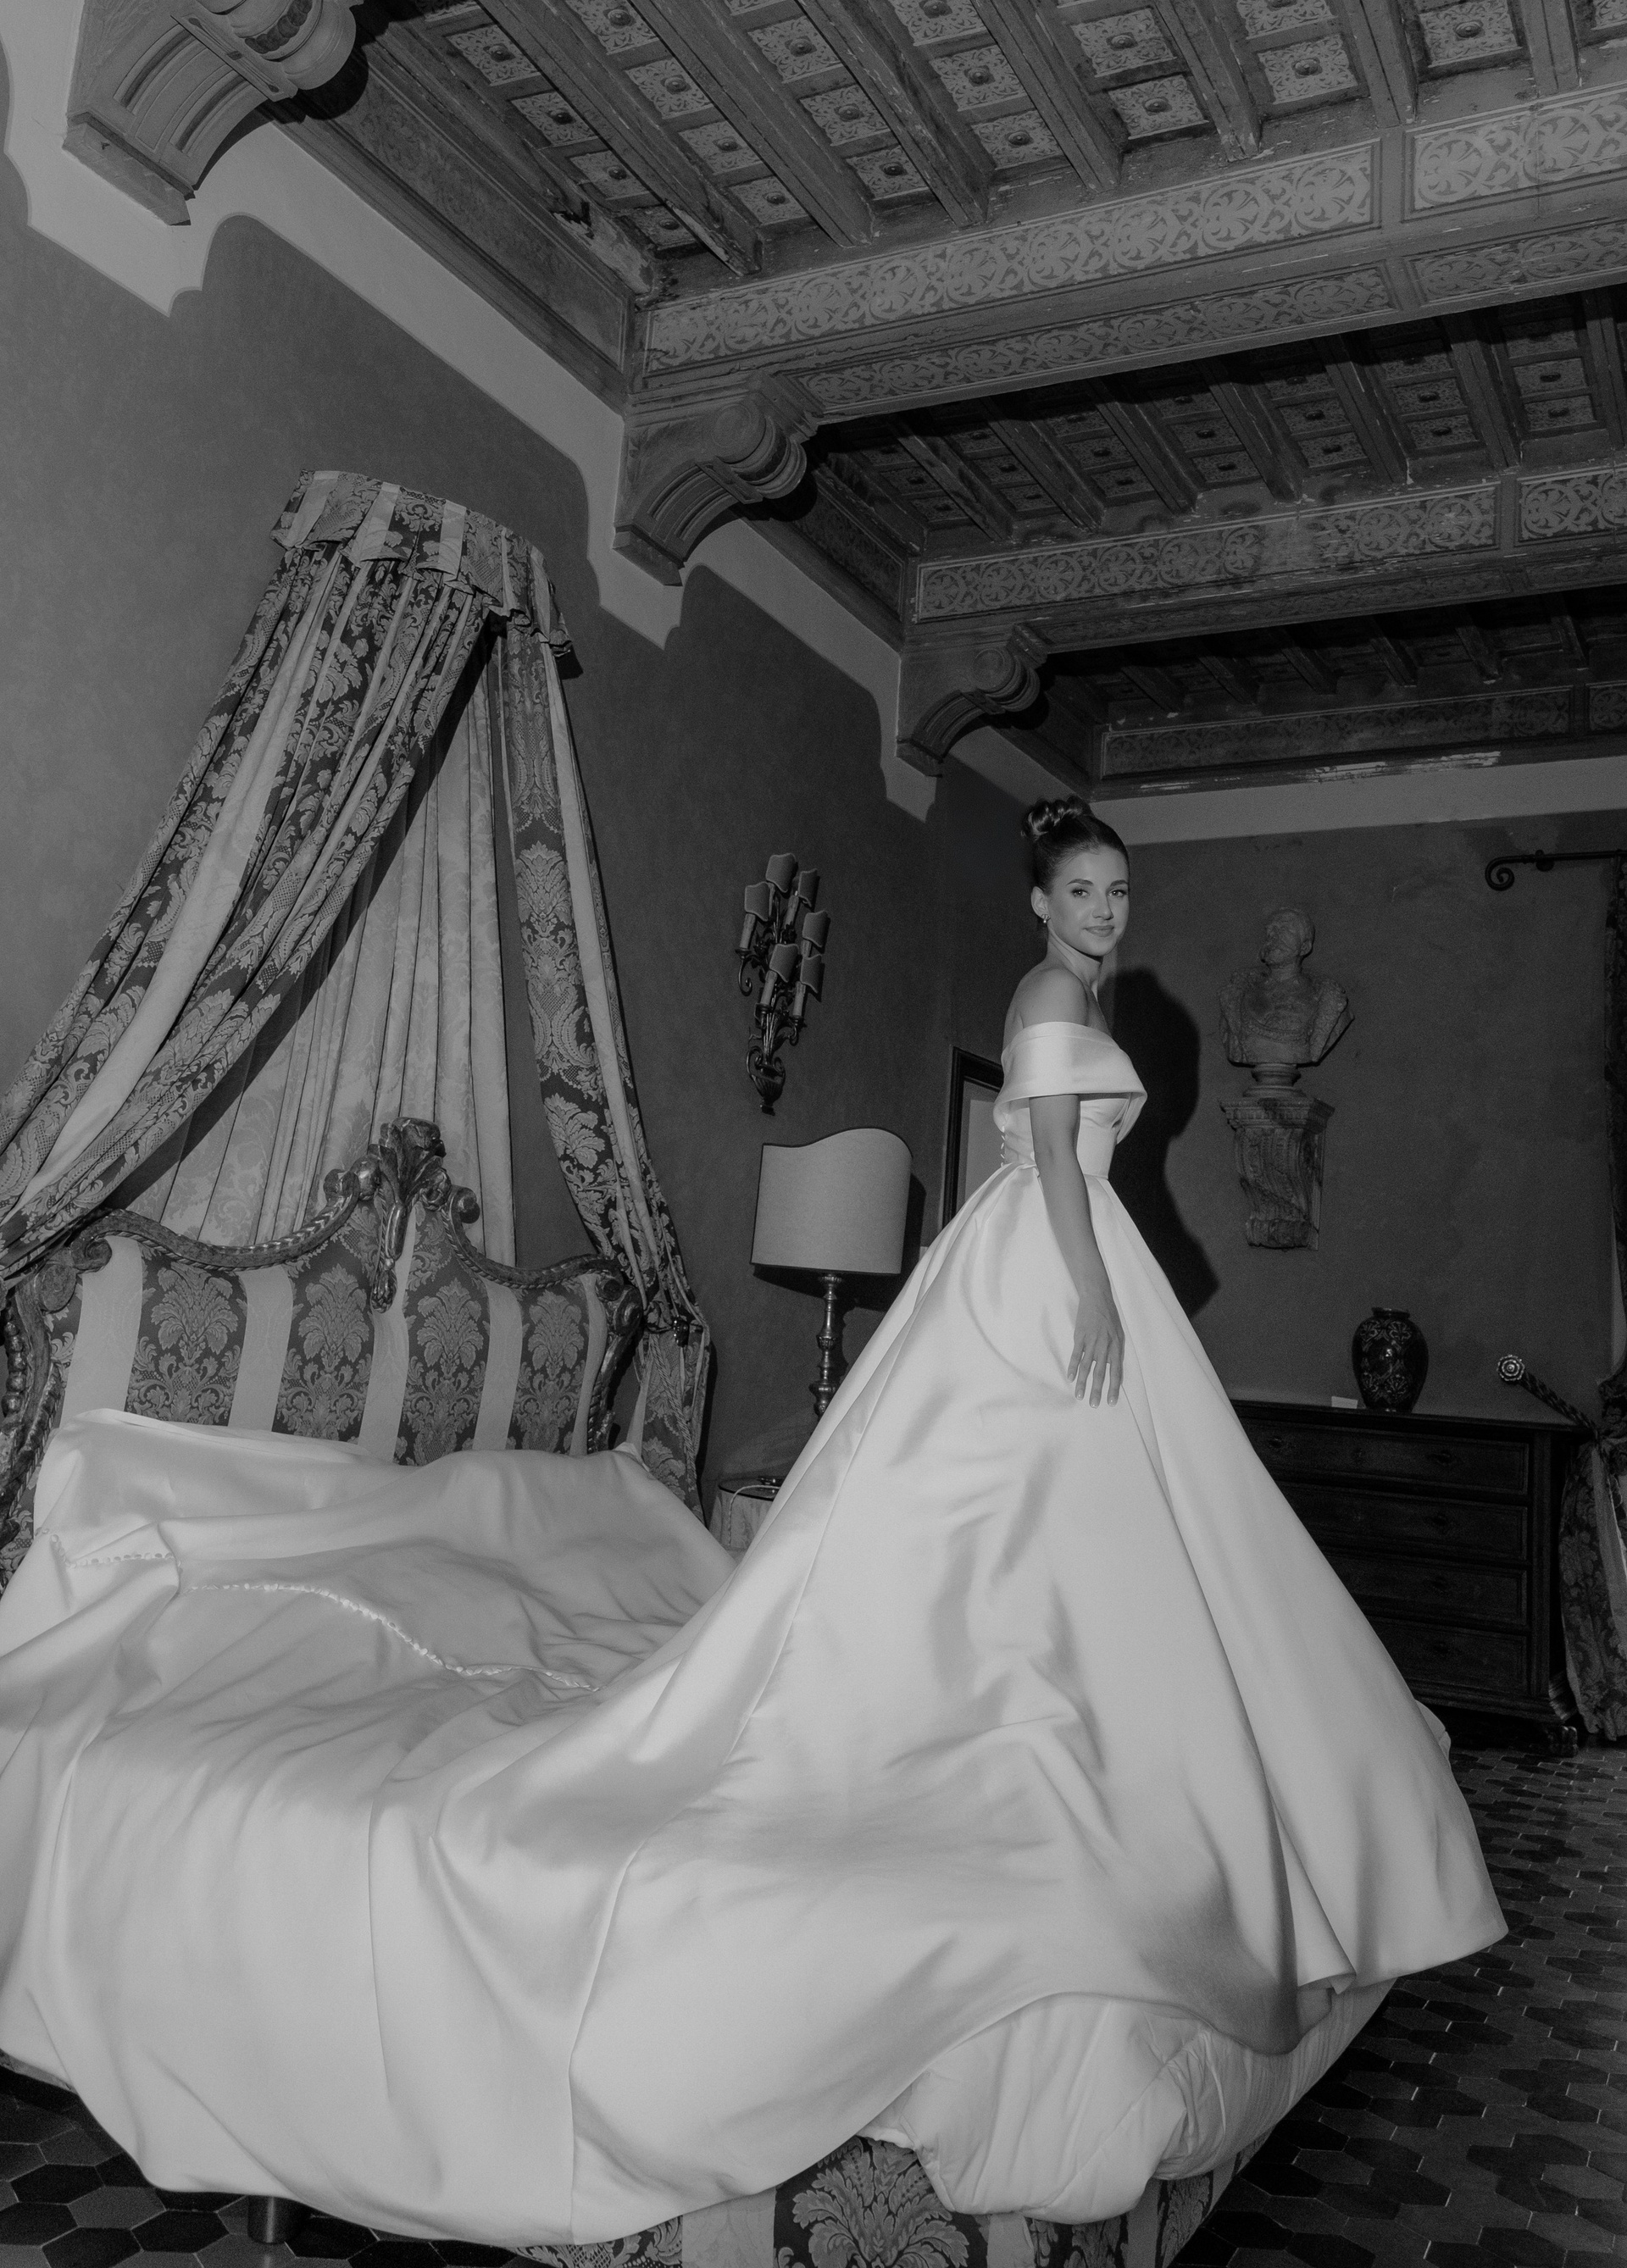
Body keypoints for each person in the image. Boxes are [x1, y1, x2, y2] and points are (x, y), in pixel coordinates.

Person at [0, 799, 1506, 2248]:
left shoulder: (1076, 991)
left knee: (1069, 1530)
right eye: (1083, 892)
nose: (1106, 913)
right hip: (1057, 1259)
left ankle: (1084, 1727)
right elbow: (1052, 1163)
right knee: (1039, 1527)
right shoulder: (1055, 994)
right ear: (1041, 903)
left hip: (1056, 1252)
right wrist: (1098, 1292)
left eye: (1120, 892)